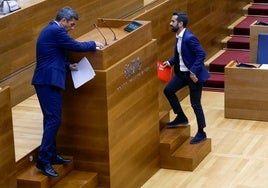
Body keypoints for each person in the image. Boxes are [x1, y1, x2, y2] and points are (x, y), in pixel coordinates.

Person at [32, 6, 104, 178]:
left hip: (48, 80)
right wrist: (93, 44)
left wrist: (67, 65)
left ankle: (50, 154)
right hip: (47, 81)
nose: (73, 28)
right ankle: (43, 160)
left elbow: (51, 56)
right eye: (71, 24)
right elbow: (75, 46)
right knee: (54, 119)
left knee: (51, 119)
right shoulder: (55, 31)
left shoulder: (52, 30)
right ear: (63, 20)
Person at [163, 11, 210, 144]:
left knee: (195, 104)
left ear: (180, 23)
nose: (170, 23)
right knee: (168, 90)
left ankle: (202, 132)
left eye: (173, 21)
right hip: (182, 74)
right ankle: (181, 117)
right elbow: (180, 56)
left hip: (193, 76)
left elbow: (201, 54)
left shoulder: (189, 38)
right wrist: (170, 62)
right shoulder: (178, 37)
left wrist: (193, 72)